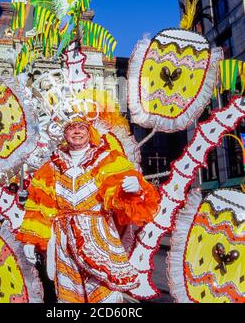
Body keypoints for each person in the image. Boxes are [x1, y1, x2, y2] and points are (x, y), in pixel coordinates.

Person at [16, 117, 160, 303]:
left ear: (89, 132)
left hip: (99, 236)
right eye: (71, 128)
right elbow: (39, 205)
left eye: (81, 128)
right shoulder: (51, 166)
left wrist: (136, 188)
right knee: (68, 295)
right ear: (64, 134)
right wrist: (32, 239)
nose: (77, 132)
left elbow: (121, 193)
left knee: (104, 293)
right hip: (64, 241)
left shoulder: (106, 158)